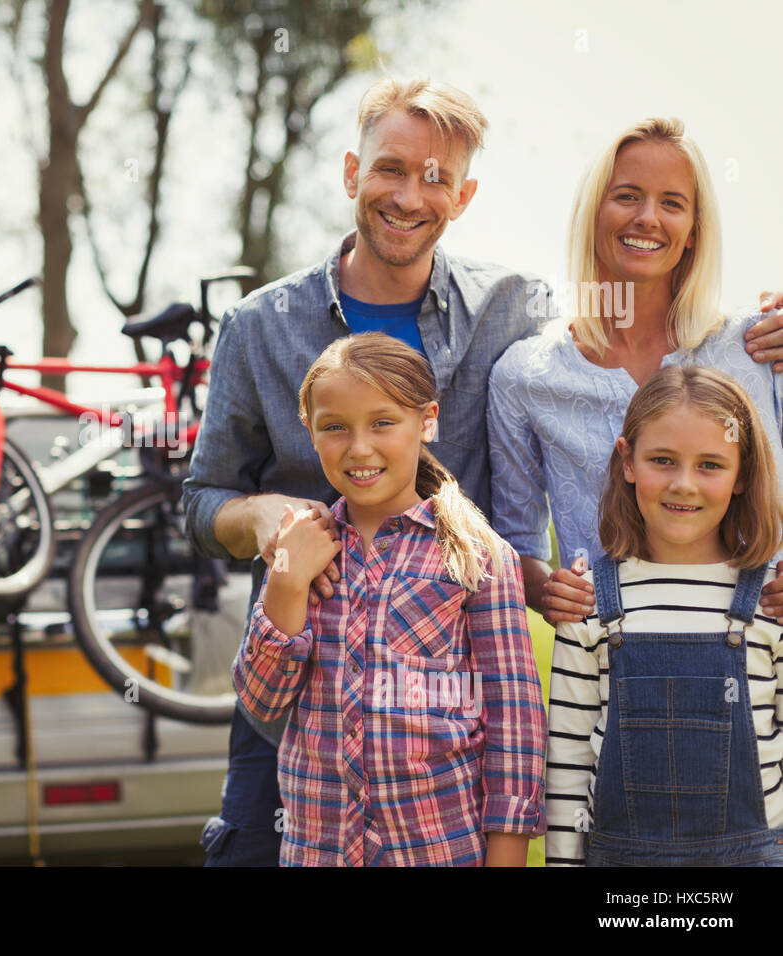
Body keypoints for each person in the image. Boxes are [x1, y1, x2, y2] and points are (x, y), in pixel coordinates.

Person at [185, 77, 783, 867]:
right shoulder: (261, 327)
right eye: (390, 169)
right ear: (349, 173)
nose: (409, 196)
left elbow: (636, 334)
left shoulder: (510, 309)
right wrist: (263, 518)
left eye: (435, 178)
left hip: (450, 719)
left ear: (463, 196)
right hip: (305, 679)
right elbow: (204, 499)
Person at [232, 332, 546, 866]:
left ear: (427, 420)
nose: (359, 448)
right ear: (309, 432)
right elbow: (262, 702)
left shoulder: (477, 556)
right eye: (335, 427)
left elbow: (514, 717)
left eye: (382, 422)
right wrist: (287, 582)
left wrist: (508, 854)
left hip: (439, 849)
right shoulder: (301, 548)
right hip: (319, 851)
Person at [489, 118, 783, 634]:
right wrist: (547, 591)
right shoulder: (524, 376)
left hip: (763, 658)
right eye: (627, 196)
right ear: (593, 212)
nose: (648, 218)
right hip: (608, 664)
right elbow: (517, 543)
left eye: (672, 203)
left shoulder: (756, 345)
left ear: (694, 230)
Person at [545, 366, 783, 866]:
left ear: (742, 474)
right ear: (627, 460)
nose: (684, 484)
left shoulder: (771, 603)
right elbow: (567, 768)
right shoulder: (587, 606)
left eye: (711, 465)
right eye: (662, 460)